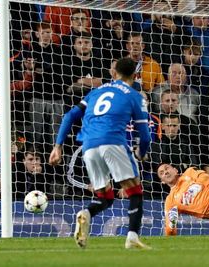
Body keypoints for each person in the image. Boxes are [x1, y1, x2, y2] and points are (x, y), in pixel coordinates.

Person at [49, 57, 152, 249]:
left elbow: (69, 115)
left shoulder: (95, 91)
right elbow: (145, 136)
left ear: (114, 73)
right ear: (135, 75)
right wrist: (141, 153)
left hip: (88, 146)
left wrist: (58, 146)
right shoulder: (135, 96)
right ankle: (132, 237)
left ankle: (86, 214)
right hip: (113, 142)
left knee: (105, 196)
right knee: (135, 190)